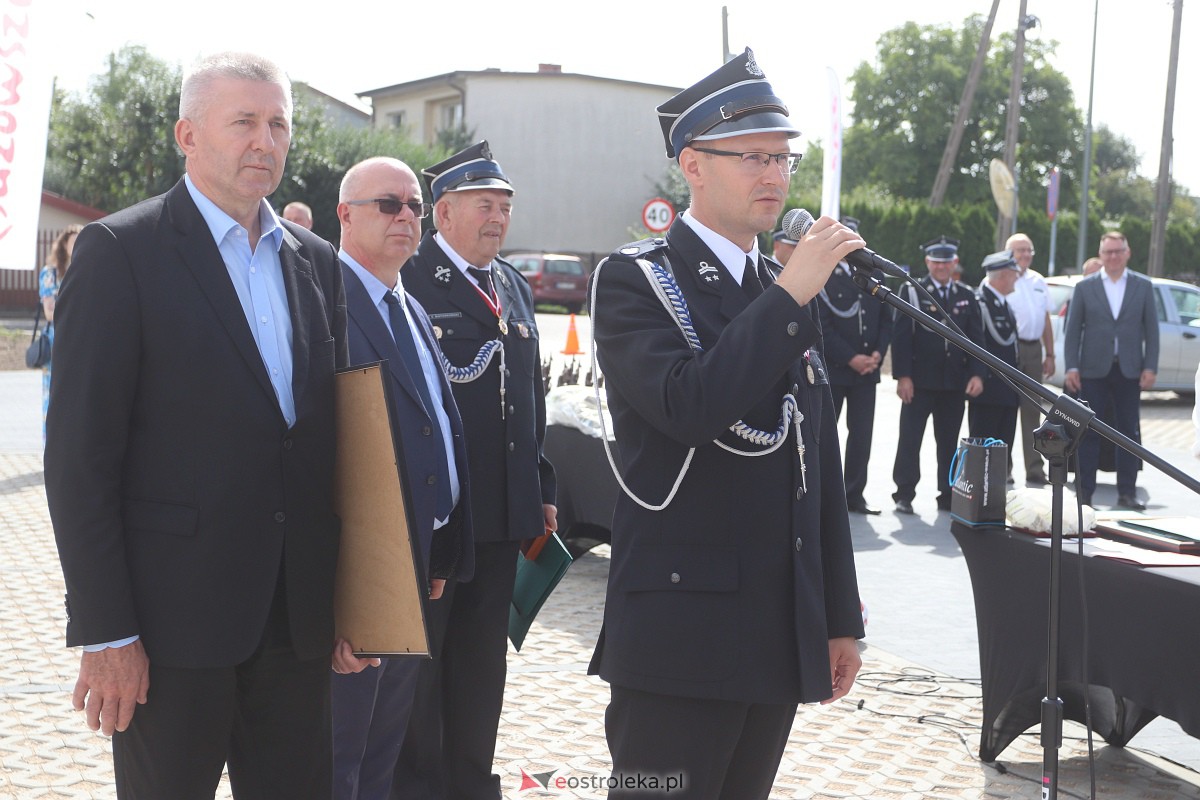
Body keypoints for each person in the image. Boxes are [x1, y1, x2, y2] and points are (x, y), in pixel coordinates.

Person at [43, 52, 348, 800]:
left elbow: (328, 444)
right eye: (243, 121)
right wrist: (107, 632)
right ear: (187, 133)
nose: (265, 141)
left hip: (294, 624)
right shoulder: (121, 252)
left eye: (278, 124)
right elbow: (81, 460)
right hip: (170, 630)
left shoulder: (317, 262)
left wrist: (353, 597)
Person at [587, 49, 865, 799]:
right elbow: (689, 406)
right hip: (682, 635)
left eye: (782, 156)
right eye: (752, 156)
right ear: (693, 165)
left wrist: (840, 614)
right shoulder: (636, 280)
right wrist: (788, 299)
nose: (774, 174)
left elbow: (816, 463)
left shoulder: (776, 288)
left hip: (774, 630)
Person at [393, 141, 557, 800]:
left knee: (482, 667)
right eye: (484, 205)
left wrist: (541, 490)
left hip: (502, 518)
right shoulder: (409, 277)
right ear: (444, 213)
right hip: (438, 521)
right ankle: (417, 786)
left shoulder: (512, 285)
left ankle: (467, 782)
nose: (498, 218)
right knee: (421, 668)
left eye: (505, 206)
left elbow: (529, 401)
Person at [331, 156, 474, 800]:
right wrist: (337, 599)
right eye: (389, 205)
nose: (407, 217)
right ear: (345, 215)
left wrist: (443, 541)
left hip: (416, 563)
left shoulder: (407, 304)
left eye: (414, 205)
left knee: (383, 748)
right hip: (360, 571)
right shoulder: (325, 303)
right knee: (340, 752)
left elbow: (434, 426)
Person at [1063, 231, 1158, 510]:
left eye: (1118, 251)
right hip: (1093, 369)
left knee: (1128, 432)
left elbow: (1151, 330)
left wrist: (1150, 366)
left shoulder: (1142, 286)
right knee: (1088, 431)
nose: (1113, 257)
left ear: (1127, 253)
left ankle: (1127, 492)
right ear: (1100, 254)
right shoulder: (1085, 287)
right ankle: (1084, 493)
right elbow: (1072, 331)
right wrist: (1071, 366)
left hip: (1129, 370)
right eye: (1108, 252)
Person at [891, 236, 985, 514]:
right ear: (927, 262)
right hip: (919, 381)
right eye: (936, 262)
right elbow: (901, 337)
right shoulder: (912, 291)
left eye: (946, 262)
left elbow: (976, 339)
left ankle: (948, 494)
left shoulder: (966, 296)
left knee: (949, 443)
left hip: (954, 382)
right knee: (910, 439)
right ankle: (904, 493)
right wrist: (903, 376)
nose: (941, 267)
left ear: (955, 263)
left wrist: (977, 374)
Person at [815, 215, 893, 514]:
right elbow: (823, 325)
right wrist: (851, 358)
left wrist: (877, 354)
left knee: (862, 437)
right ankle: (824, 497)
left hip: (867, 372)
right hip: (836, 371)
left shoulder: (873, 275)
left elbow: (887, 320)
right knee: (826, 435)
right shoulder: (824, 274)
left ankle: (854, 495)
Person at [1003, 233, 1055, 485]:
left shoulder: (1038, 280)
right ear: (1008, 253)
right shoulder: (1000, 278)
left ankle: (1035, 469)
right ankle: (1004, 468)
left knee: (1033, 411)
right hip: (1008, 350)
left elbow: (1045, 319)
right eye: (1019, 250)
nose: (1025, 255)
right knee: (1006, 410)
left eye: (1028, 250)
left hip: (1034, 350)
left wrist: (1051, 353)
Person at [968, 251, 1021, 449]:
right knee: (982, 449)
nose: (1016, 277)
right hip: (989, 390)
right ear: (1004, 275)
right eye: (1014, 273)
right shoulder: (981, 303)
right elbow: (977, 345)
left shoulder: (1003, 304)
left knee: (1002, 449)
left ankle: (999, 480)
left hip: (1007, 389)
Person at [37, 225, 81, 440]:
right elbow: (49, 312)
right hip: (58, 339)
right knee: (53, 395)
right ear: (64, 244)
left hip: (80, 340)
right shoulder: (50, 273)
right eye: (73, 240)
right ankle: (50, 446)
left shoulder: (85, 268)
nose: (76, 245)